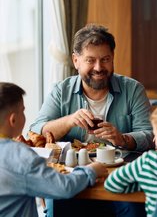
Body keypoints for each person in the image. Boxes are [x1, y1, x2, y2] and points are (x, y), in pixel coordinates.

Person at [30, 24, 154, 151]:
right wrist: (69, 121)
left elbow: (150, 136)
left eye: (105, 59)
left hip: (121, 167)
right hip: (73, 167)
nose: (99, 68)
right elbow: (36, 132)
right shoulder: (61, 91)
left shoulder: (133, 90)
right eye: (90, 60)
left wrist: (123, 139)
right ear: (76, 60)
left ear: (112, 58)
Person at [0, 82, 108, 217]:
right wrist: (91, 170)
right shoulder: (20, 157)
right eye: (23, 110)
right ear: (13, 120)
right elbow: (64, 187)